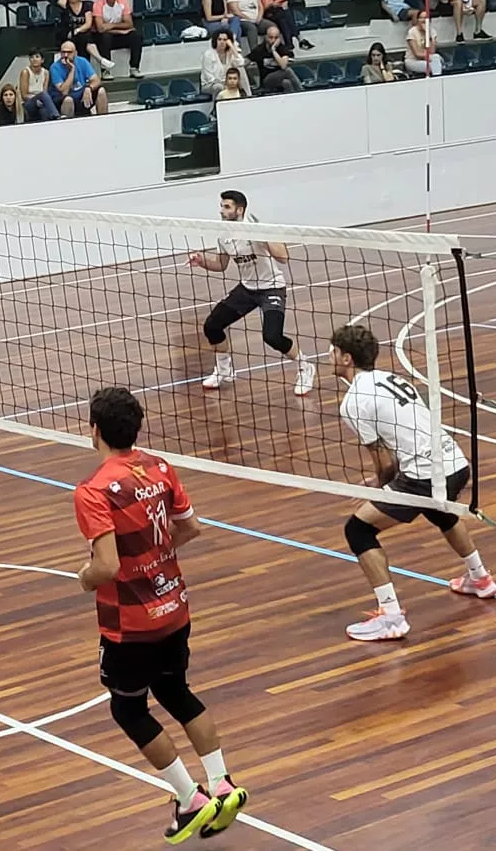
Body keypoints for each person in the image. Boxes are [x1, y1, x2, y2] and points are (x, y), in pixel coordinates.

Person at [74, 386, 249, 843]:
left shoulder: (93, 491)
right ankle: (222, 782)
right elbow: (190, 526)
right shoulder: (160, 467)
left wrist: (86, 578)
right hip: (174, 606)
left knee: (128, 708)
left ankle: (189, 798)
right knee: (176, 690)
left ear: (94, 430)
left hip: (130, 624)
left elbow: (107, 565)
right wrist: (155, 552)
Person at [328, 324, 496, 642]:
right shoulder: (392, 378)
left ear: (347, 358)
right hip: (455, 463)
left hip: (423, 474)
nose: (330, 356)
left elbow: (384, 461)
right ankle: (480, 578)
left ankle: (391, 617)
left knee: (358, 529)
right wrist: (383, 480)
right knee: (439, 509)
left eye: (333, 351)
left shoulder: (353, 402)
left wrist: (377, 486)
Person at [187, 190, 315, 394]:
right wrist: (202, 261)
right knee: (212, 326)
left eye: (226, 207)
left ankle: (305, 366)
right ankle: (224, 370)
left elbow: (283, 257)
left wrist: (262, 236)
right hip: (247, 289)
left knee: (272, 336)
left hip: (271, 287)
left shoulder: (258, 228)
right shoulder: (224, 235)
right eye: (221, 206)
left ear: (240, 209)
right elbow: (221, 264)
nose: (221, 211)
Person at [49, 37, 105, 116]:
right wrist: (72, 70)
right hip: (62, 99)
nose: (65, 55)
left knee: (101, 91)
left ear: (75, 53)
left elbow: (96, 80)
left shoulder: (82, 61)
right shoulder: (54, 67)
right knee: (68, 100)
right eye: (63, 52)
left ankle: (103, 120)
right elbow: (64, 91)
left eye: (69, 52)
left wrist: (89, 88)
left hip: (80, 96)